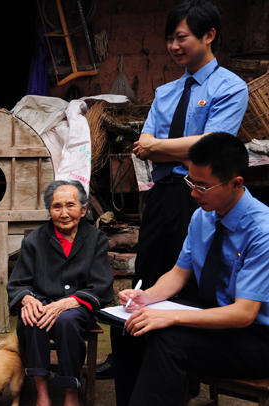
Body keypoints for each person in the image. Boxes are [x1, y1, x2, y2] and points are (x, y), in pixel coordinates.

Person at [98, 0, 249, 382]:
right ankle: (128, 357)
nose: (173, 46)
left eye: (181, 37)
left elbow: (212, 146)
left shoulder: (230, 87)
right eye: (169, 39)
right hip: (162, 190)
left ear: (209, 35)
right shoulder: (165, 91)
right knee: (147, 274)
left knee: (192, 278)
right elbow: (143, 143)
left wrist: (159, 146)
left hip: (200, 194)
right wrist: (164, 146)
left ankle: (183, 365)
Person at [116, 132, 269, 406]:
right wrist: (146, 297)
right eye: (191, 182)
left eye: (203, 186)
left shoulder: (262, 231)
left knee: (169, 341)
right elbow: (178, 274)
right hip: (216, 320)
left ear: (236, 183)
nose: (193, 193)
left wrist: (171, 317)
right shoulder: (203, 217)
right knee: (129, 327)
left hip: (257, 337)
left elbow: (244, 314)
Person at [7, 180, 114, 406]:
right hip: (42, 302)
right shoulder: (34, 239)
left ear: (83, 209)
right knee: (33, 319)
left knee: (67, 321)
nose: (64, 213)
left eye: (70, 205)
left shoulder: (96, 239)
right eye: (57, 206)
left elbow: (101, 285)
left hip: (78, 307)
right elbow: (18, 282)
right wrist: (27, 298)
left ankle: (70, 393)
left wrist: (67, 303)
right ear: (50, 210)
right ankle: (42, 393)